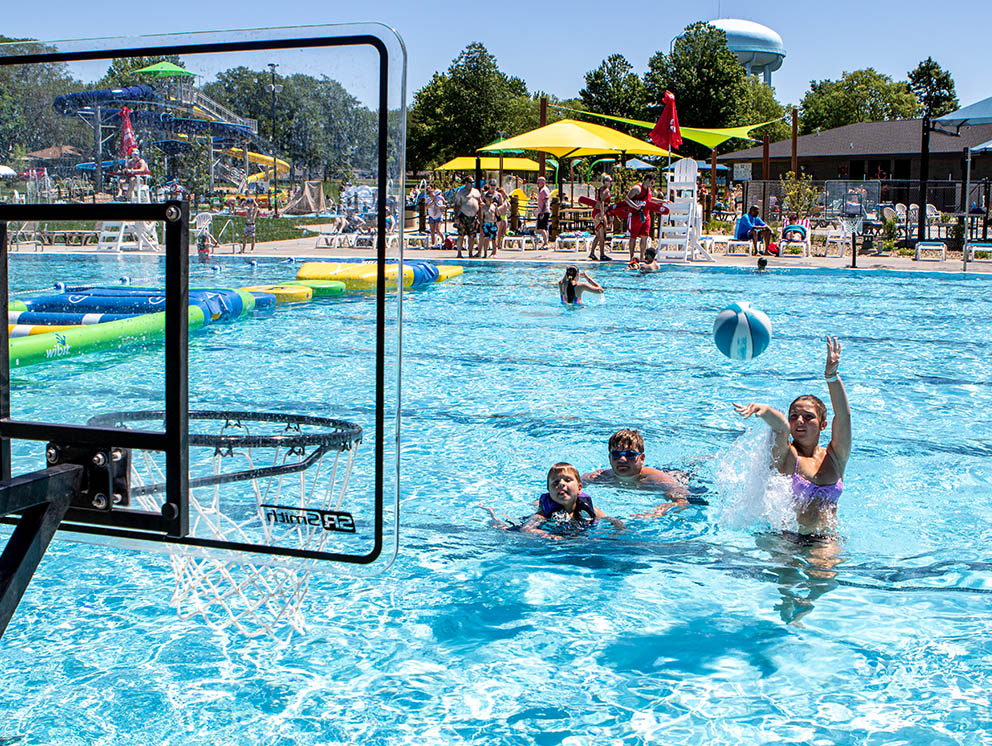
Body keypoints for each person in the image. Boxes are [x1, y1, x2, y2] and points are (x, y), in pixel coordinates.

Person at [733, 336, 851, 535]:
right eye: (794, 416)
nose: (799, 421)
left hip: (825, 537)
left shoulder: (835, 456)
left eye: (808, 417)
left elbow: (844, 416)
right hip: (786, 539)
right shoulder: (788, 454)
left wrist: (832, 376)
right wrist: (765, 410)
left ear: (823, 425)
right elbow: (780, 428)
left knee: (825, 566)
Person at [480, 463, 618, 539]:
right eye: (556, 482)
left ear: (580, 488)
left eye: (568, 480)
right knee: (505, 530)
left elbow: (611, 520)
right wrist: (546, 535)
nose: (562, 484)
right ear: (549, 490)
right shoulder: (543, 514)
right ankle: (493, 516)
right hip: (548, 531)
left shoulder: (590, 509)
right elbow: (527, 529)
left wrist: (619, 528)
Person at [583, 429, 688, 518]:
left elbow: (683, 501)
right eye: (616, 454)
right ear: (609, 458)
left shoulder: (656, 480)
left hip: (679, 476)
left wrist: (663, 509)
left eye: (630, 454)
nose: (622, 459)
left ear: (642, 458)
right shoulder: (599, 477)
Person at [625, 174, 655, 263]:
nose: (652, 185)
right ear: (647, 180)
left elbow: (649, 200)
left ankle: (642, 256)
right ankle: (631, 256)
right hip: (635, 216)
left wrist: (662, 202)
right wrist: (636, 206)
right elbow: (627, 199)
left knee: (645, 236)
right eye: (651, 182)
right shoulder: (637, 188)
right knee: (633, 236)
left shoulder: (648, 190)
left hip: (646, 216)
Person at [451, 175, 481, 258]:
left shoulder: (476, 192)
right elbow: (457, 205)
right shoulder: (460, 192)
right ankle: (459, 253)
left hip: (473, 217)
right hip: (463, 215)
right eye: (470, 182)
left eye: (472, 182)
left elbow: (479, 202)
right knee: (461, 235)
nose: (472, 184)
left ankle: (470, 253)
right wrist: (456, 216)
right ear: (466, 183)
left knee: (471, 236)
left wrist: (479, 215)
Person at [587, 174, 613, 261]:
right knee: (602, 235)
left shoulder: (601, 189)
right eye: (610, 181)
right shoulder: (605, 191)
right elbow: (602, 202)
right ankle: (602, 254)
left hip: (596, 212)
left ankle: (592, 253)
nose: (610, 183)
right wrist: (602, 215)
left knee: (598, 235)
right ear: (606, 182)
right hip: (600, 213)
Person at [478, 181, 500, 258]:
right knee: (486, 238)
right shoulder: (484, 202)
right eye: (491, 185)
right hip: (486, 222)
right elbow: (481, 216)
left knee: (494, 238)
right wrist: (481, 224)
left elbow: (498, 214)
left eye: (494, 185)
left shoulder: (497, 197)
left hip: (493, 222)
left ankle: (494, 252)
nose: (493, 186)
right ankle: (485, 253)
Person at [535, 175, 552, 248]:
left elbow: (546, 202)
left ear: (542, 182)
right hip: (543, 211)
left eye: (538, 182)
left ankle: (546, 243)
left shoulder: (544, 190)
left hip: (544, 212)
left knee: (542, 228)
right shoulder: (542, 190)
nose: (537, 184)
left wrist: (542, 212)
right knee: (544, 228)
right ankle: (546, 242)